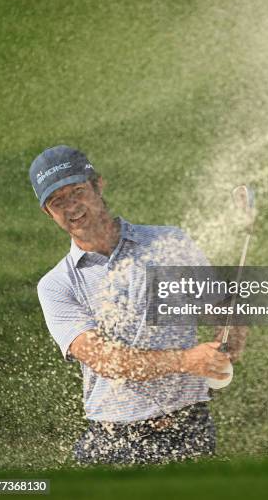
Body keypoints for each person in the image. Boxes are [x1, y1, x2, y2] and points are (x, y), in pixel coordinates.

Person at [29, 145, 246, 465]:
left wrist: (231, 337)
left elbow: (219, 305)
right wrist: (188, 360)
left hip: (190, 429)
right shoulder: (57, 285)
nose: (71, 206)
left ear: (98, 185)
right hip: (116, 442)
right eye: (57, 201)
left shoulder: (169, 243)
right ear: (48, 213)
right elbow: (107, 361)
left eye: (77, 191)